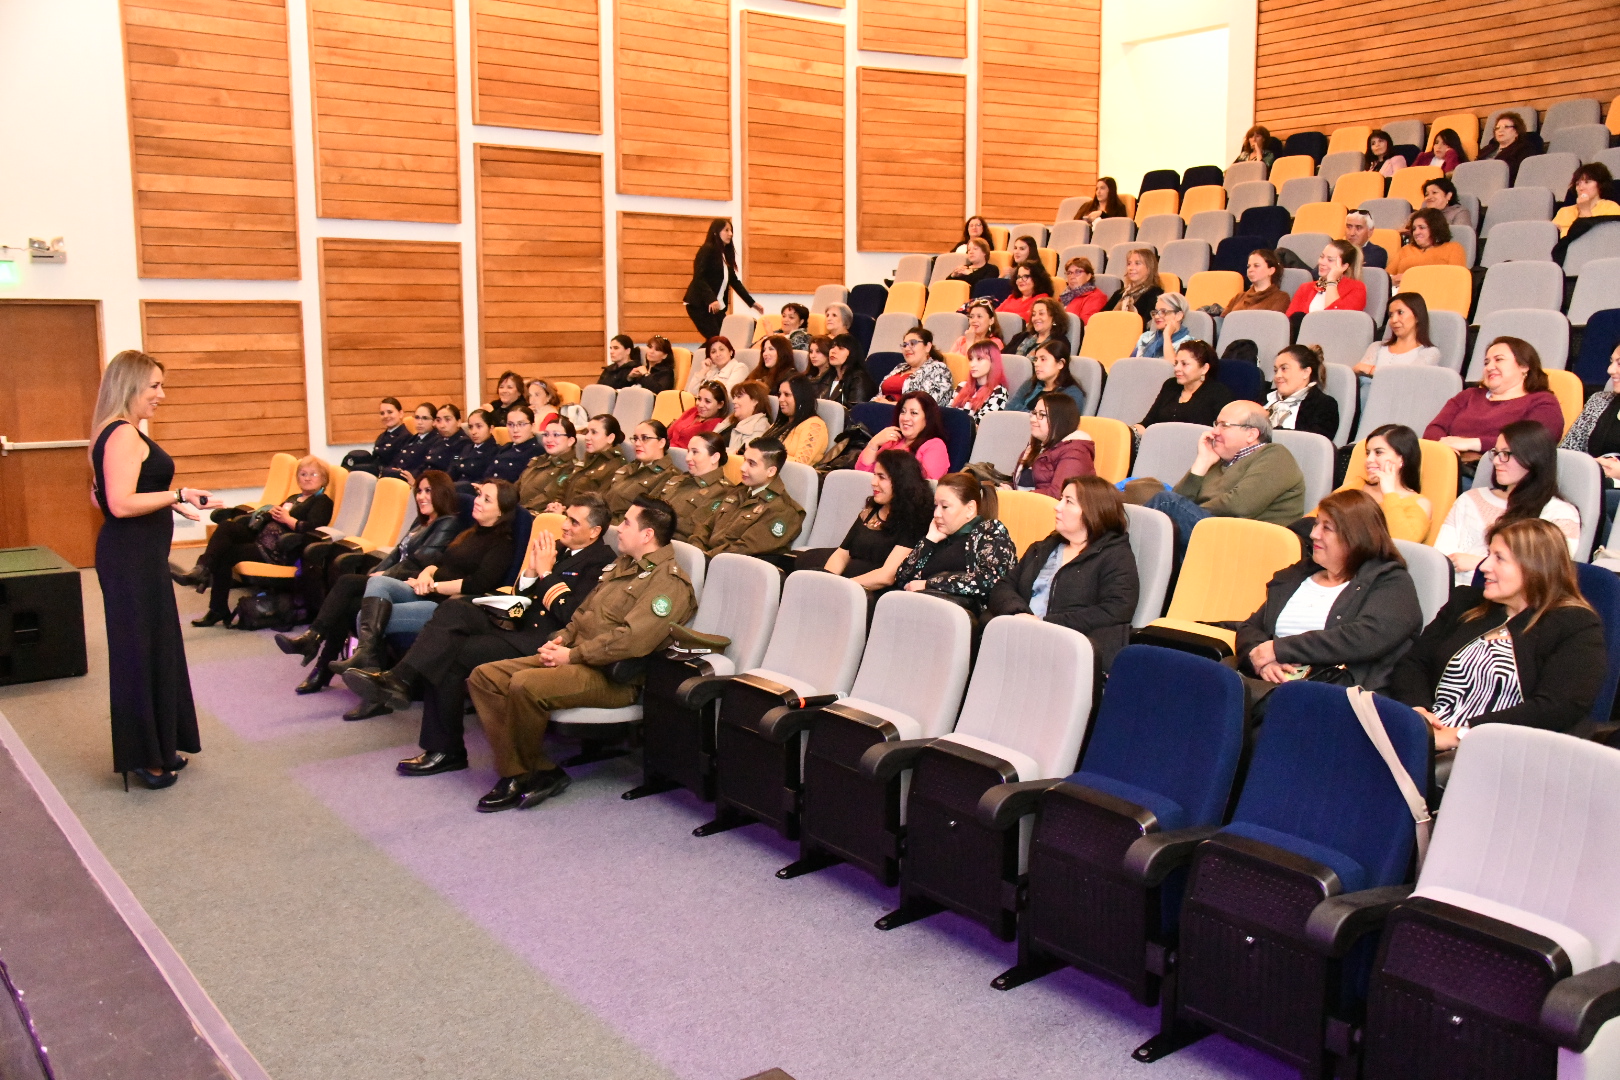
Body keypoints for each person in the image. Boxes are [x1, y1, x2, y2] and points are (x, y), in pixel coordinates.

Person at [466, 497, 697, 812]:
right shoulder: (621, 565)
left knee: (524, 684)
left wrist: (571, 656)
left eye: (627, 522)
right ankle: (541, 770)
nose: (619, 528)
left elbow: (632, 641)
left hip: (613, 678)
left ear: (647, 536)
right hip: (576, 658)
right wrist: (560, 640)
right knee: (484, 677)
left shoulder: (668, 583)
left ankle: (517, 774)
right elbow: (582, 614)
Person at [342, 494, 618, 756]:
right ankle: (400, 679)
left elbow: (570, 613)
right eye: (566, 518)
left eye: (573, 522)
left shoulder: (602, 562)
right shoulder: (557, 548)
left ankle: (442, 746)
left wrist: (544, 572)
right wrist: (532, 572)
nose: (565, 525)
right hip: (517, 621)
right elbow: (522, 596)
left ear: (594, 532)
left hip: (544, 639)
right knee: (454, 609)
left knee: (449, 654)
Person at [91, 351, 210, 789]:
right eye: (154, 386)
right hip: (130, 561)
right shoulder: (122, 434)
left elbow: (101, 497)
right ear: (130, 387)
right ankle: (144, 756)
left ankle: (159, 746)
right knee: (138, 655)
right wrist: (176, 491)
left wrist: (174, 500)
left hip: (138, 557)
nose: (162, 394)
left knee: (155, 649)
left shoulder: (113, 432)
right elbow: (120, 505)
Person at [1391, 518, 1604, 748]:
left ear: (1535, 566)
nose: (1484, 566)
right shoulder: (1466, 603)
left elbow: (1557, 707)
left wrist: (1462, 734)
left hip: (1502, 750)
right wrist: (1418, 710)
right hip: (1426, 732)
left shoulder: (1576, 625)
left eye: (1499, 558)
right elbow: (1414, 663)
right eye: (1488, 554)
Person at [274, 471, 462, 697]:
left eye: (428, 491)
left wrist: (381, 576)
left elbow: (419, 561)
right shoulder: (421, 521)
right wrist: (376, 571)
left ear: (442, 493)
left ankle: (314, 642)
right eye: (419, 491)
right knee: (348, 605)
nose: (421, 496)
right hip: (391, 580)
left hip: (413, 587)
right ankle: (327, 670)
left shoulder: (448, 522)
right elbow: (396, 553)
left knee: (347, 582)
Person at [329, 479, 523, 695]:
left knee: (366, 616)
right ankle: (368, 665)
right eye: (479, 496)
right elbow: (441, 561)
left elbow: (477, 585)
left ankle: (374, 690)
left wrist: (435, 586)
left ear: (501, 512)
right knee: (377, 582)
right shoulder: (471, 533)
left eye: (487, 500)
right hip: (429, 589)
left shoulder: (502, 544)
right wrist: (426, 573)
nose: (478, 502)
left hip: (447, 606)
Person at [1235, 489, 1423, 693]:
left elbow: (1362, 638)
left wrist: (1278, 649)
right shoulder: (1298, 575)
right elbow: (1251, 627)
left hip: (1331, 693)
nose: (1314, 534)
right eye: (1316, 524)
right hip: (1269, 685)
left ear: (1355, 536)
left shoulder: (1390, 582)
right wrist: (1262, 660)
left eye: (1327, 528)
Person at [988, 475, 1140, 671]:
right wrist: (1020, 614)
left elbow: (1116, 609)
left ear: (1092, 510)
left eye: (1068, 502)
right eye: (1061, 499)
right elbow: (1004, 586)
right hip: (1019, 635)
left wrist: (1045, 624)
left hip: (1067, 649)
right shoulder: (1044, 547)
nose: (1057, 507)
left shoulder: (1115, 555)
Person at [1126, 401, 1306, 561]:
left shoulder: (1274, 456)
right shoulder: (1218, 460)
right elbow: (1180, 497)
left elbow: (1239, 506)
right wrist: (1202, 462)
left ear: (1251, 434)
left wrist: (1185, 511)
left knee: (1165, 503)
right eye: (1215, 424)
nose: (1214, 432)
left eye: (1224, 425)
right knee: (1163, 534)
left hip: (1249, 545)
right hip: (1215, 532)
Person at [187, 456, 334, 626]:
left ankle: (207, 581)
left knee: (225, 554)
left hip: (280, 549)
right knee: (227, 528)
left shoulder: (322, 501)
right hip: (262, 539)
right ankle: (206, 576)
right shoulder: (294, 498)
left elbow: (312, 529)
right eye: (303, 474)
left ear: (324, 479)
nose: (307, 478)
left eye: (313, 474)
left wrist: (287, 519)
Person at [1434, 420, 1581, 584]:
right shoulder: (1470, 499)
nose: (1496, 461)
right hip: (1450, 592)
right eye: (1496, 453)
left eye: (1506, 454)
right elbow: (1441, 559)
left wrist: (1479, 563)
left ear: (1533, 458)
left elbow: (1549, 573)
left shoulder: (1560, 513)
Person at [805, 449, 932, 593]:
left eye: (881, 477)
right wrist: (827, 580)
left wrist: (840, 587)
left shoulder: (914, 520)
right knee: (806, 565)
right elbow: (841, 554)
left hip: (869, 592)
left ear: (901, 482)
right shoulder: (871, 510)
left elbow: (886, 576)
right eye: (874, 475)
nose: (873, 482)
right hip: (846, 583)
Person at [1425, 337, 1565, 463]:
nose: (1489, 367)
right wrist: (1447, 451)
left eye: (1499, 359)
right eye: (1486, 362)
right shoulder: (1468, 395)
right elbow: (1434, 429)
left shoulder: (1542, 401)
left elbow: (1536, 443)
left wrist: (1474, 443)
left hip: (1494, 473)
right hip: (1447, 465)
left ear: (1524, 366)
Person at [893, 473, 1017, 613]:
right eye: (936, 506)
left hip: (958, 618)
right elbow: (902, 579)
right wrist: (929, 541)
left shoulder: (990, 532)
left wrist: (929, 583)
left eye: (945, 507)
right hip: (919, 610)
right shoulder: (939, 537)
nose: (937, 514)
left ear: (970, 508)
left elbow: (989, 580)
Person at [687, 437, 805, 557]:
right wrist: (695, 552)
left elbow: (743, 550)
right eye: (744, 460)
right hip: (703, 559)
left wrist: (703, 557)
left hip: (731, 568)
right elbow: (704, 527)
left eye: (751, 464)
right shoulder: (738, 491)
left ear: (771, 471)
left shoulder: (783, 510)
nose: (742, 468)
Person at [1561, 342, 1620, 535]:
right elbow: (1567, 452)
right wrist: (1589, 466)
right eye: (1611, 362)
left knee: (1599, 502)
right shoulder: (1599, 400)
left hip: (1605, 492)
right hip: (1591, 482)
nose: (1610, 370)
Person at [1339, 424, 1434, 542]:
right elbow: (1318, 517)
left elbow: (1404, 544)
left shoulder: (1420, 503)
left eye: (1378, 453)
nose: (1368, 460)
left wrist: (1389, 492)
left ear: (1402, 459)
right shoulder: (1357, 486)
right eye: (1368, 453)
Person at [1353, 292, 1441, 413]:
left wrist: (1371, 370)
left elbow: (1407, 379)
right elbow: (1359, 373)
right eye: (1390, 315)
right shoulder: (1377, 347)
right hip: (1367, 403)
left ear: (1417, 316)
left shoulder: (1429, 353)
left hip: (1401, 408)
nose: (1393, 320)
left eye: (1400, 313)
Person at [1130, 340, 1233, 438]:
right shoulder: (1170, 385)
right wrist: (1128, 432)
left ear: (1204, 368)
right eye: (1176, 363)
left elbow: (1221, 435)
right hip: (1160, 446)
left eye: (1184, 364)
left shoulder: (1218, 393)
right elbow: (1147, 424)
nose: (1176, 368)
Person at [685, 217, 763, 339]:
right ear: (716, 232)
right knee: (717, 339)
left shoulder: (724, 255)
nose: (730, 234)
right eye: (726, 230)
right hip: (700, 305)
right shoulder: (707, 249)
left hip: (715, 307)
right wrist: (711, 299)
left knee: (725, 339)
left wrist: (752, 303)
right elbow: (699, 277)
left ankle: (705, 356)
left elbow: (735, 282)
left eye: (731, 231)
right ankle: (704, 356)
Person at [1012, 392, 1095, 496]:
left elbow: (1058, 495)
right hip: (1028, 505)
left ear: (1059, 420)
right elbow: (1019, 485)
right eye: (1034, 413)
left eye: (1041, 415)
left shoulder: (1076, 451)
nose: (1033, 419)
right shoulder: (1038, 445)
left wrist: (1015, 497)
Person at [856, 390, 951, 480]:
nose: (905, 418)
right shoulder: (893, 440)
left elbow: (926, 486)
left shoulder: (935, 445)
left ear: (927, 419)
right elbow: (862, 475)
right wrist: (874, 443)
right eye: (903, 412)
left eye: (914, 413)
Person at [604, 420, 685, 518]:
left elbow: (647, 518)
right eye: (635, 438)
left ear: (661, 442)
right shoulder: (628, 467)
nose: (637, 443)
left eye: (645, 438)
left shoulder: (670, 476)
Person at [664, 431, 734, 542]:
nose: (687, 458)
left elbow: (692, 530)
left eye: (695, 452)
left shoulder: (723, 491)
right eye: (688, 451)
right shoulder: (677, 479)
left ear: (714, 457)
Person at [548, 414, 625, 511]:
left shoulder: (615, 466)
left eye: (594, 432)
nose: (587, 437)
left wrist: (566, 514)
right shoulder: (588, 458)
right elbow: (566, 485)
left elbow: (598, 506)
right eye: (587, 432)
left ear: (610, 438)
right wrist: (556, 504)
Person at [1266, 344, 1339, 440]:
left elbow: (1311, 444)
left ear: (1305, 372)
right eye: (1276, 370)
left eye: (1284, 369)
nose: (1277, 375)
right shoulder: (1265, 396)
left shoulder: (1323, 405)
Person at [1388, 208, 1466, 288]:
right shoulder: (1406, 249)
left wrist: (1411, 279)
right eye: (1414, 229)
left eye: (1422, 227)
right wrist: (1392, 280)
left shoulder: (1453, 248)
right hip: (1401, 293)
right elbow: (1386, 277)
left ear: (1435, 228)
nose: (1416, 232)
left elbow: (1456, 279)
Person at [876, 327, 954, 406]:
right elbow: (879, 396)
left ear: (927, 347)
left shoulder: (939, 369)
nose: (906, 348)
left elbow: (927, 405)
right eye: (904, 345)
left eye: (913, 343)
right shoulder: (900, 367)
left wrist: (890, 405)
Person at [1286, 240, 1366, 316]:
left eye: (1330, 260)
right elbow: (1290, 321)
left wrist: (1331, 282)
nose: (1321, 262)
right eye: (1321, 257)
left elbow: (1337, 319)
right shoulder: (1305, 288)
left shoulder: (1357, 288)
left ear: (1344, 266)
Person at [516, 416, 578, 512]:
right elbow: (516, 487)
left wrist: (517, 512)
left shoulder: (571, 469)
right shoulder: (539, 460)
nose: (549, 439)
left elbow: (547, 499)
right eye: (546, 434)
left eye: (556, 435)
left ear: (570, 441)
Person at [1007, 338, 1084, 414]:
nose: (1036, 364)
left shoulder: (1071, 394)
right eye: (1036, 359)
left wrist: (1019, 410)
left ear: (1060, 364)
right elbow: (1008, 409)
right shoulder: (1030, 384)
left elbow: (1054, 420)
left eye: (1043, 359)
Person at [764, 376, 829, 465]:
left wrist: (766, 457)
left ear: (801, 398)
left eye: (787, 394)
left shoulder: (814, 425)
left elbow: (800, 463)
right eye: (779, 394)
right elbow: (759, 448)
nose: (780, 399)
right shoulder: (780, 424)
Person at [344, 396, 412, 475]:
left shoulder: (406, 437)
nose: (386, 416)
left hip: (388, 477)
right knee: (349, 461)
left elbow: (396, 466)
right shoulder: (382, 436)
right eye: (382, 413)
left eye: (390, 412)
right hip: (376, 474)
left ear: (401, 413)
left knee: (356, 470)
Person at [950, 340, 1010, 422]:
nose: (972, 364)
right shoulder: (962, 386)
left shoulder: (998, 392)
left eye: (979, 359)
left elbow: (981, 424)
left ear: (993, 362)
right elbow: (947, 413)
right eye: (971, 359)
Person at [1553, 163, 1619, 237]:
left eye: (1587, 182)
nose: (1581, 188)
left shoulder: (1611, 208)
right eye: (1577, 184)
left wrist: (1584, 210)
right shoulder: (1564, 211)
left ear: (1600, 185)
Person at [1219, 249, 1292, 315]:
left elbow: (1272, 324)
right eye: (1248, 266)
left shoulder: (1281, 297)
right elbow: (1223, 321)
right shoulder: (1239, 297)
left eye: (1256, 266)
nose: (1250, 270)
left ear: (1271, 270)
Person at [386, 402, 439, 486]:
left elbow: (426, 465)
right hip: (402, 475)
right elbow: (399, 458)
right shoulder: (414, 438)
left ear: (434, 421)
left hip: (416, 480)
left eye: (425, 418)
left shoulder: (436, 440)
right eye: (417, 418)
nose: (419, 422)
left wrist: (415, 480)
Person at [1479, 112, 1539, 185]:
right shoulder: (1487, 149)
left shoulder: (1524, 148)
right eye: (1497, 128)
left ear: (1517, 131)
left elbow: (1515, 173)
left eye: (1506, 127)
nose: (1500, 130)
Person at [668, 379, 729, 449]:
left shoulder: (717, 424)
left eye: (707, 401)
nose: (700, 404)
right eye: (699, 399)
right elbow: (669, 432)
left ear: (720, 404)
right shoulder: (693, 411)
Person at [1104, 247, 1163, 319]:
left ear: (1149, 268)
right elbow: (1099, 318)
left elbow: (1146, 324)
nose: (1131, 268)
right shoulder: (1119, 294)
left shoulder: (1155, 293)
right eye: (1129, 264)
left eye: (1137, 263)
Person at [820, 333, 876, 407]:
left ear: (852, 353)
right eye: (832, 347)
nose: (833, 351)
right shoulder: (828, 376)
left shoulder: (858, 379)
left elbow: (855, 412)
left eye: (840, 348)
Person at [1130, 292, 1192, 358]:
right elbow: (1130, 365)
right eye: (1156, 312)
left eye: (1163, 312)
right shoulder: (1145, 337)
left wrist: (1167, 336)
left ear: (1179, 316)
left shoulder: (1188, 345)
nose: (1156, 316)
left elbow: (1173, 367)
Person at [1006, 297, 1070, 358]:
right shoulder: (1020, 337)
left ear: (1054, 318)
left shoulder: (1060, 343)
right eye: (1034, 314)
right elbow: (1001, 359)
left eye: (1041, 313)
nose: (1035, 318)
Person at [684, 335, 749, 394]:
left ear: (730, 352)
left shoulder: (739, 368)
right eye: (713, 352)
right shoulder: (711, 372)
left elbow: (728, 395)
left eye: (721, 350)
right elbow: (691, 393)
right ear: (710, 357)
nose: (718, 354)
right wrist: (703, 371)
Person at [447, 408, 498, 483]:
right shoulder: (467, 448)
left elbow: (484, 480)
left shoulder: (494, 451)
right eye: (470, 427)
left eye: (479, 426)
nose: (473, 432)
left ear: (491, 428)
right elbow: (452, 472)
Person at [421, 403, 470, 475]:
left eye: (447, 420)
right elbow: (423, 464)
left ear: (458, 422)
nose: (442, 425)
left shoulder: (464, 442)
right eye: (438, 420)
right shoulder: (436, 440)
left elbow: (452, 472)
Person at [723, 381, 771, 453]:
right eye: (734, 397)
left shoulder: (760, 425)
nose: (733, 401)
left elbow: (745, 454)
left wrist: (717, 451)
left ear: (755, 400)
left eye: (739, 397)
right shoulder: (730, 419)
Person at [1058, 256, 1108, 325]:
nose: (1072, 277)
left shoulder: (1096, 297)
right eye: (1069, 273)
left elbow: (1084, 325)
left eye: (1078, 272)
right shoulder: (1065, 295)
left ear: (1088, 276)